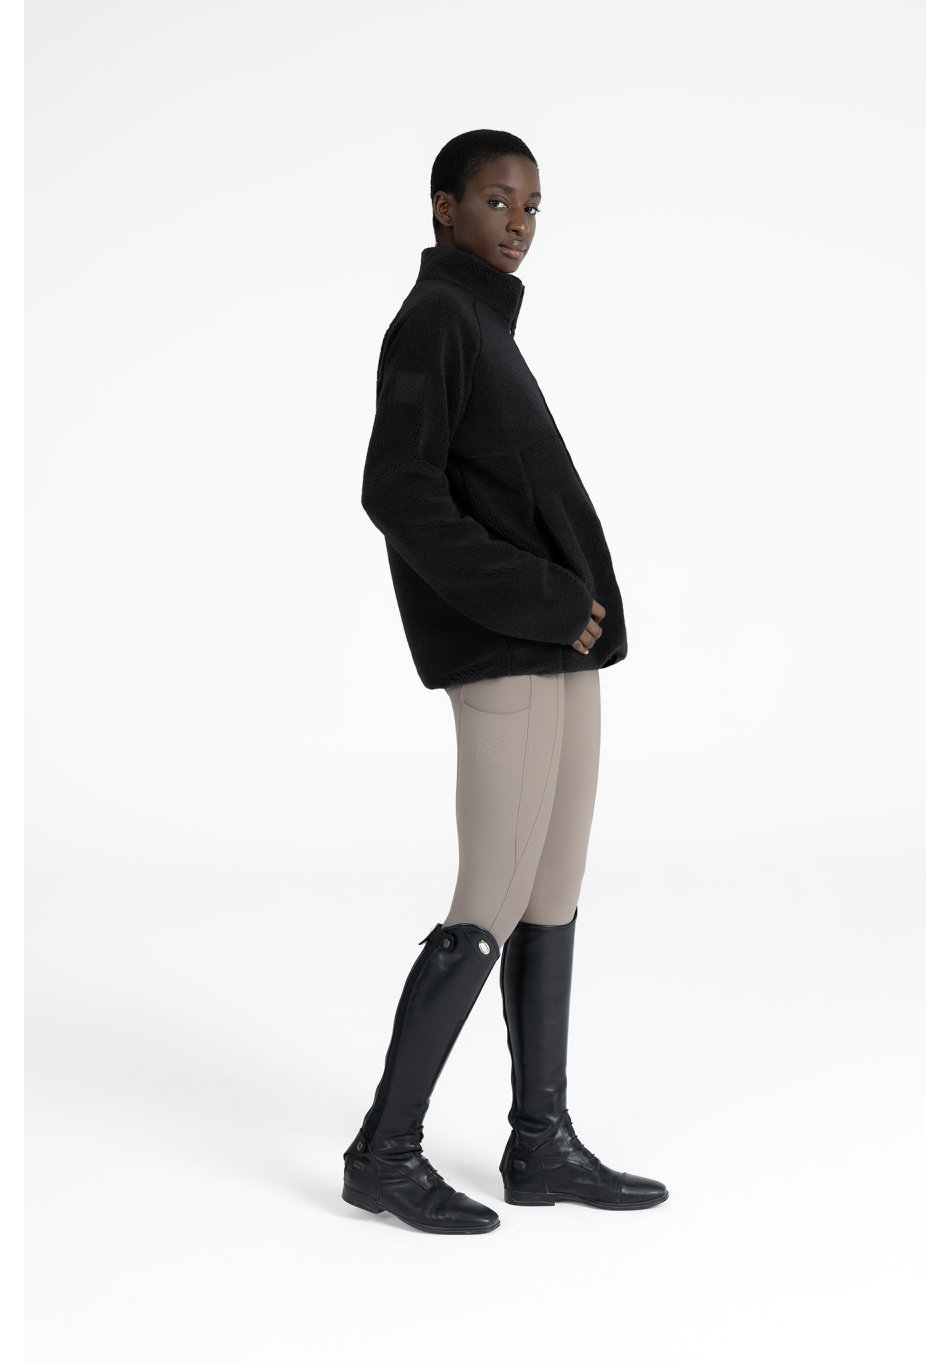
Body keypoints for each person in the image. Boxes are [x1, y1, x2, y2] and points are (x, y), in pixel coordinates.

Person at [342, 129, 668, 1233]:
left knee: (552, 896)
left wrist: (572, 611)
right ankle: (384, 1152)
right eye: (495, 200)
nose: (518, 222)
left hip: (560, 649)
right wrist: (537, 597)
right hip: (507, 647)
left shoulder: (484, 323)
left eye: (531, 205)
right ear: (444, 206)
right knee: (488, 897)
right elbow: (396, 490)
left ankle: (540, 1143)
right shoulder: (436, 318)